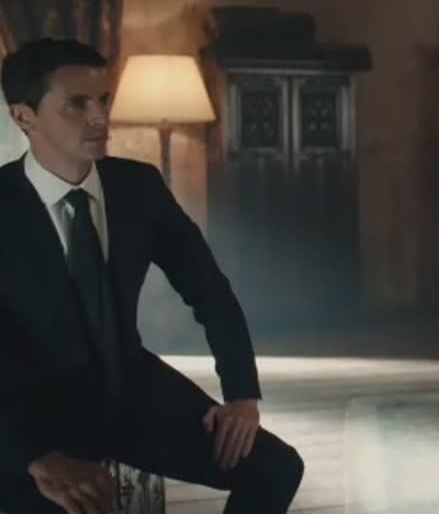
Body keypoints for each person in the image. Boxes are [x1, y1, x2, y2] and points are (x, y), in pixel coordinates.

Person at [0, 38, 304, 513]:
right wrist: (35, 456)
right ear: (24, 116)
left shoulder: (137, 186)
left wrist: (242, 393)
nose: (100, 117)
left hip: (130, 387)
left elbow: (210, 291)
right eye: (77, 104)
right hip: (30, 406)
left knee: (276, 466)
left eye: (103, 100)